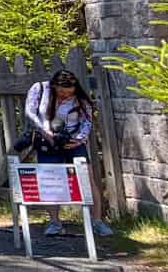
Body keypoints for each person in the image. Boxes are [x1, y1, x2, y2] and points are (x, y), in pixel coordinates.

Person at [24, 69, 113, 237]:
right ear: (55, 86)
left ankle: (97, 221)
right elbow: (30, 112)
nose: (65, 96)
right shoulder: (40, 89)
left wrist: (79, 139)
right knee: (50, 179)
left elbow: (87, 119)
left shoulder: (79, 98)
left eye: (69, 93)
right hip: (46, 141)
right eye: (62, 92)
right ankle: (55, 222)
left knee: (88, 178)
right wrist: (44, 131)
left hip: (72, 141)